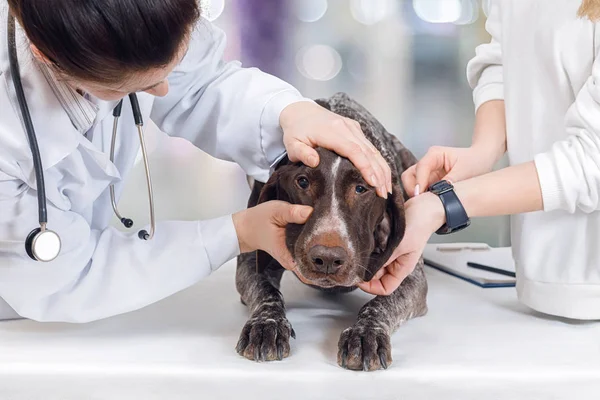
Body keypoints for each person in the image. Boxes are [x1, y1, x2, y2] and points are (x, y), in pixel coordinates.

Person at [0, 0, 393, 322]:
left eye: (171, 66)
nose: (163, 90)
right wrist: (236, 233)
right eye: (137, 86)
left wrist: (289, 113)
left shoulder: (144, 18)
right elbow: (69, 278)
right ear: (47, 55)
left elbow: (201, 85)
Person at [360, 0, 600, 320]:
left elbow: (593, 161)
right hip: (538, 282)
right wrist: (483, 151)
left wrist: (446, 205)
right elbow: (503, 55)